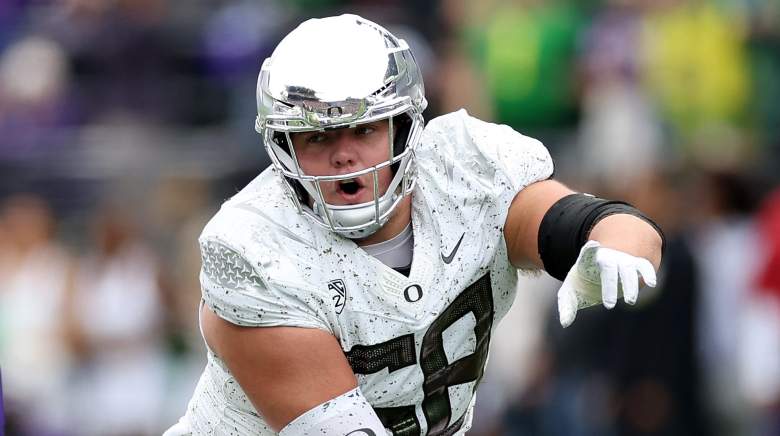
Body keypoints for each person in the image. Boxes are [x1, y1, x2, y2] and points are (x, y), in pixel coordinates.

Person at [166, 14, 663, 436]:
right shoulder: (254, 249)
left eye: (363, 129)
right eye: (318, 137)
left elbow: (588, 222)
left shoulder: (464, 169)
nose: (344, 156)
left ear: (403, 126)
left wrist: (616, 244)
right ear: (284, 146)